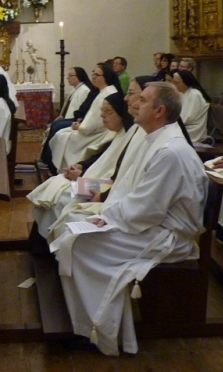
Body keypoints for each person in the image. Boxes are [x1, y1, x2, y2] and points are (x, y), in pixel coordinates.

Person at [53, 82, 208, 356]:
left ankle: (98, 331)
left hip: (167, 236)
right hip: (146, 224)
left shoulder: (169, 150)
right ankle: (89, 325)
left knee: (78, 244)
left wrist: (106, 216)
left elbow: (147, 208)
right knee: (73, 235)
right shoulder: (153, 138)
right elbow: (129, 189)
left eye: (143, 100)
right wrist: (107, 214)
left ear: (159, 111)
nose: (134, 103)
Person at [28, 92, 134, 238]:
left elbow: (119, 175)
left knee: (62, 197)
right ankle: (42, 244)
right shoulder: (121, 133)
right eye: (102, 111)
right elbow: (100, 156)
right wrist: (81, 166)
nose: (102, 115)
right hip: (99, 181)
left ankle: (48, 245)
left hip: (106, 187)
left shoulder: (131, 136)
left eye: (108, 112)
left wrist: (82, 176)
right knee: (55, 185)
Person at [49, 63, 123, 171]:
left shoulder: (107, 94)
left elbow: (94, 123)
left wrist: (80, 127)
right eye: (93, 74)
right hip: (94, 130)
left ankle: (62, 168)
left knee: (61, 136)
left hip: (99, 134)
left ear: (105, 76)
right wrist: (81, 123)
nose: (93, 77)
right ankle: (54, 166)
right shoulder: (103, 91)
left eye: (96, 75)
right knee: (60, 133)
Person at [172, 69, 210, 142]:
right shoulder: (182, 92)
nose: (174, 85)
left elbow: (186, 118)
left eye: (176, 83)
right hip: (185, 126)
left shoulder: (195, 95)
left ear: (186, 82)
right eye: (173, 82)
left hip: (192, 131)